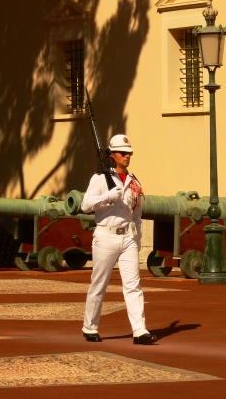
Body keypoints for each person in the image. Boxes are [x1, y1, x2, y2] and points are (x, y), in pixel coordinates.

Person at [80, 134, 158, 345]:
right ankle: (90, 326)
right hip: (105, 235)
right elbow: (85, 206)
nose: (127, 156)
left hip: (128, 237)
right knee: (99, 283)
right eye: (122, 153)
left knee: (133, 285)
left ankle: (139, 330)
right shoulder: (100, 179)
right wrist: (107, 197)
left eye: (129, 153)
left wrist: (138, 238)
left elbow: (137, 215)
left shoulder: (134, 183)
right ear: (112, 155)